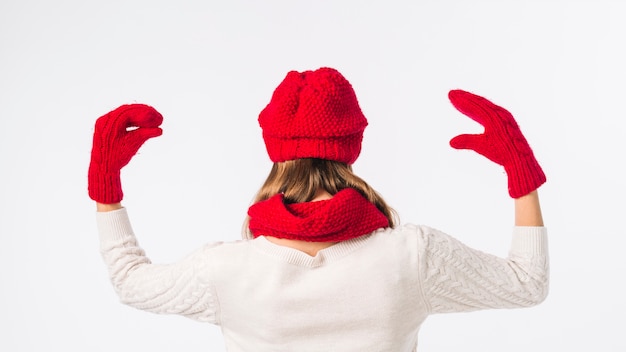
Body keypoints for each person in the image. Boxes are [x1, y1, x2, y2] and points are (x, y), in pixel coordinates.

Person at [89, 67, 549, 351]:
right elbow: (527, 285)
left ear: (275, 150)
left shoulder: (225, 269)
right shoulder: (414, 256)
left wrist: (106, 188)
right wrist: (521, 175)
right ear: (351, 146)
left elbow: (130, 283)